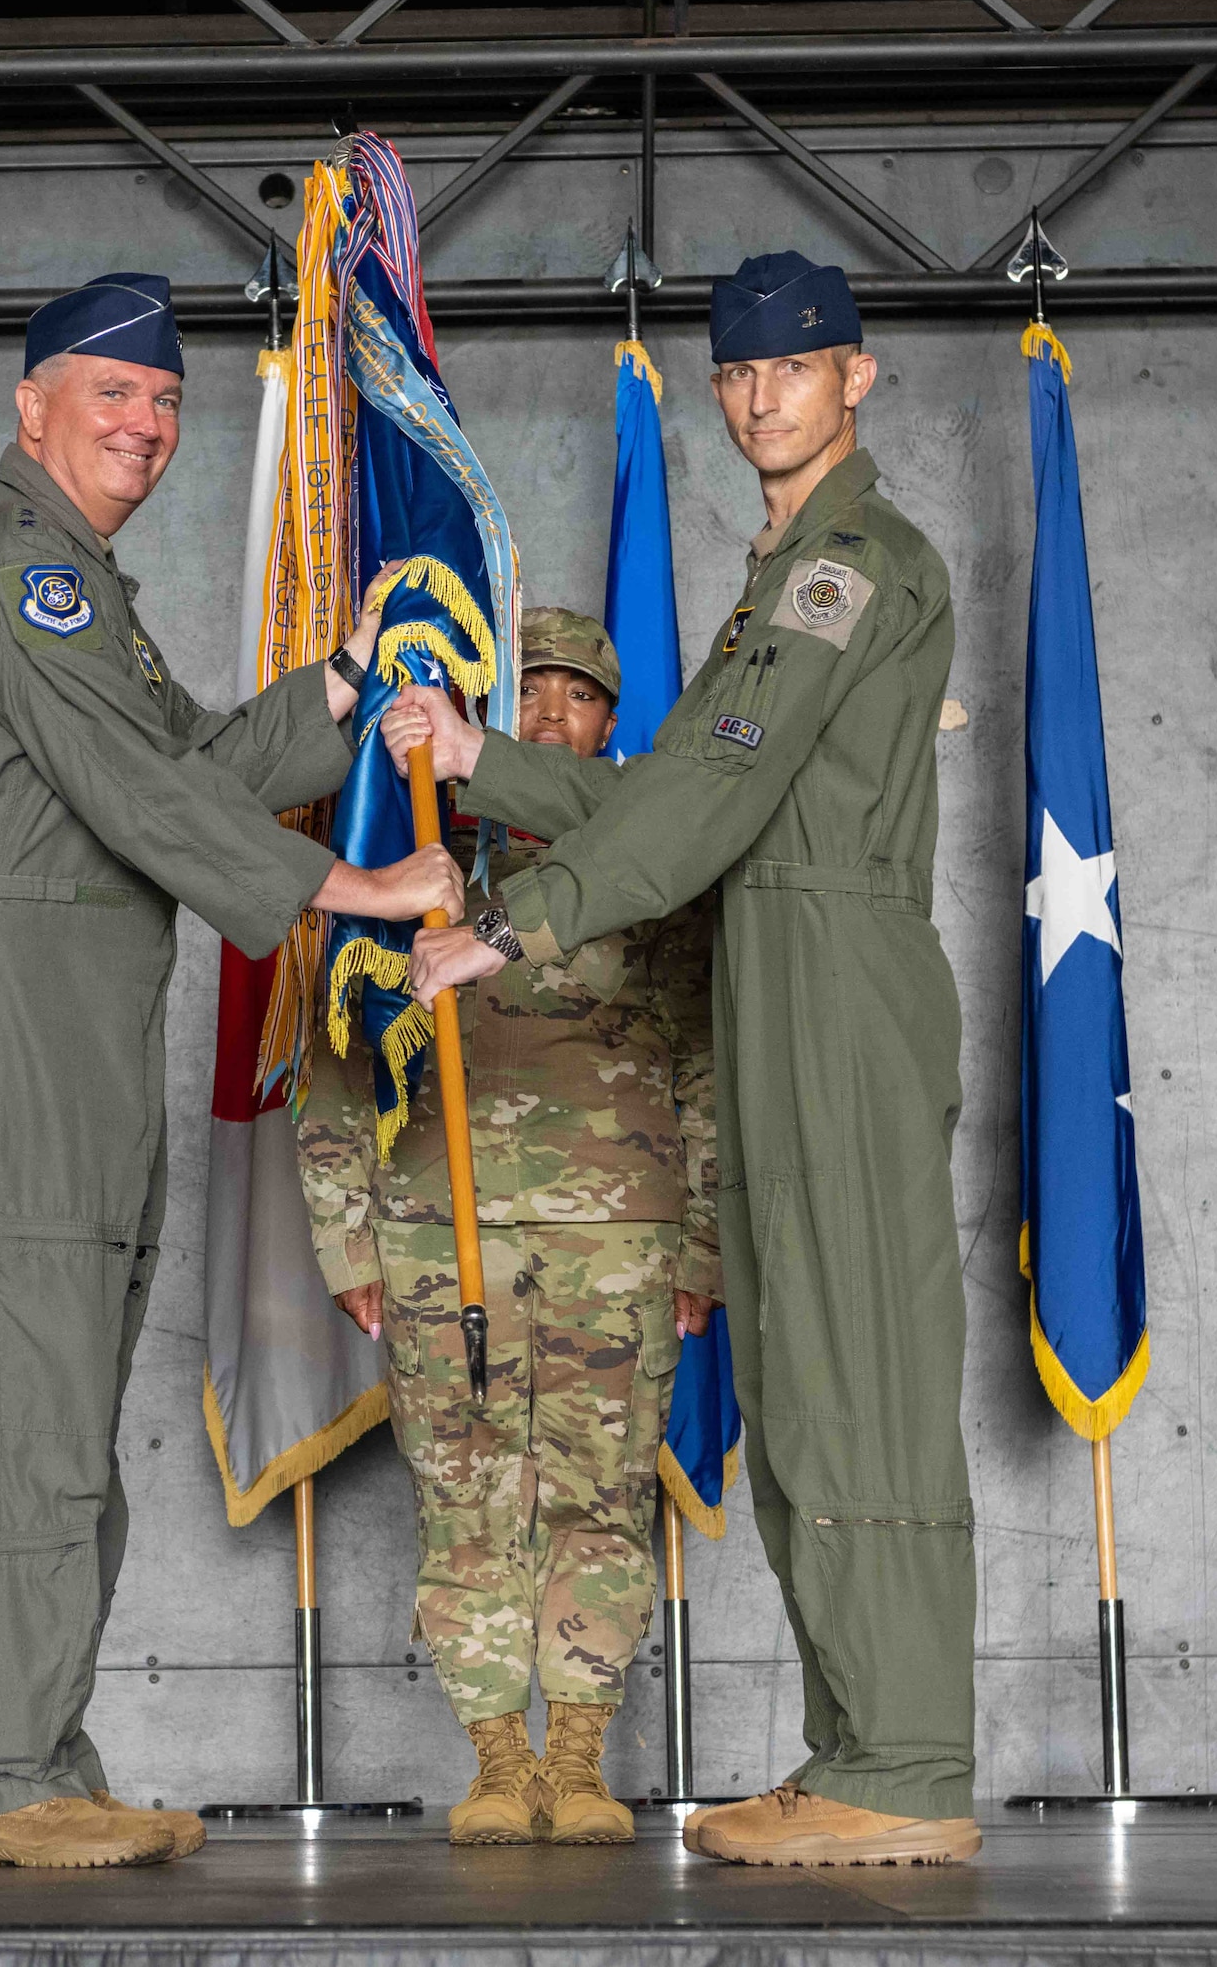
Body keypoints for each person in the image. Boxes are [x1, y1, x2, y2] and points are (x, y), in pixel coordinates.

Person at [0, 271, 461, 1870]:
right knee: (10, 1410)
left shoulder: (83, 592)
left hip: (64, 1031)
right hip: (0, 1037)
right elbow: (148, 801)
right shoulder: (9, 578)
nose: (146, 425)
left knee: (57, 1409)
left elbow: (185, 765)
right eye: (111, 395)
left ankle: (38, 1755)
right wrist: (359, 890)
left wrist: (340, 681)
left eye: (170, 402)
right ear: (31, 405)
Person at [384, 252, 981, 1868]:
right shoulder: (773, 575)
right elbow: (671, 792)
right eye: (737, 372)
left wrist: (514, 924)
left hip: (839, 987)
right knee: (802, 1394)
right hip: (776, 984)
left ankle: (913, 1763)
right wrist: (484, 758)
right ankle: (861, 1748)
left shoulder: (846, 567)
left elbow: (703, 799)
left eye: (794, 368)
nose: (759, 394)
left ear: (859, 379)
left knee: (859, 1382)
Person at [300, 608, 721, 1847]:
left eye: (574, 698)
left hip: (617, 1238)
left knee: (599, 1497)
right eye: (524, 694)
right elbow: (334, 1051)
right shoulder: (412, 852)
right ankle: (495, 1758)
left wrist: (702, 1243)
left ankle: (579, 1757)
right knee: (465, 1496)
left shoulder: (655, 860)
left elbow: (703, 1057)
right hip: (443, 1231)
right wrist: (346, 1234)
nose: (547, 716)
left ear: (608, 719)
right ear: (482, 712)